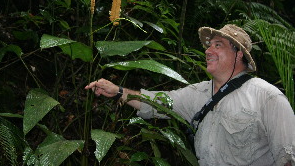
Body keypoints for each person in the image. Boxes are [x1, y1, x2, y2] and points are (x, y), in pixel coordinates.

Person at [85, 24, 295, 166]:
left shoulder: (268, 97)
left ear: (238, 54)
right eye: (208, 45)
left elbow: (288, 159)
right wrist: (118, 91)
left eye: (218, 45)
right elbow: (158, 103)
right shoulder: (197, 93)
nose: (208, 50)